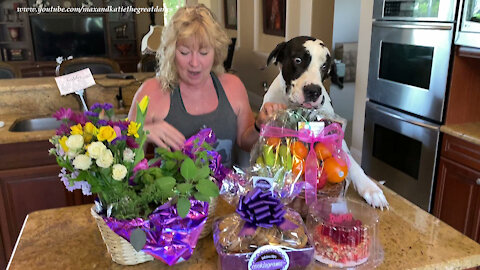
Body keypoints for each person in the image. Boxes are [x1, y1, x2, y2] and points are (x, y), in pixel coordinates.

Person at [128, 4, 283, 167]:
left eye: (203, 53)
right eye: (184, 52)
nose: (194, 63)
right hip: (170, 192)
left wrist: (260, 126)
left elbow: (246, 144)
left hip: (226, 192)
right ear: (171, 53)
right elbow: (126, 163)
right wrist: (142, 132)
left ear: (215, 52)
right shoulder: (151, 92)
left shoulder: (233, 86)